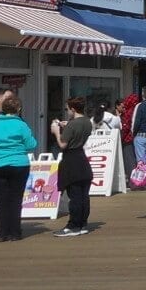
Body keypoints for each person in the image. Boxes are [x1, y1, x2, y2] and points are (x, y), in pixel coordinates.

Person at [0, 94, 37, 242]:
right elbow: (31, 145)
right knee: (15, 199)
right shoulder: (21, 125)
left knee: (2, 199)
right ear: (19, 109)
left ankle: (1, 233)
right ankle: (15, 232)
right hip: (18, 164)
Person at [49, 96, 94, 238]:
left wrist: (56, 131)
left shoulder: (72, 125)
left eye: (68, 109)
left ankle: (73, 225)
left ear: (73, 109)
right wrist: (66, 125)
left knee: (74, 196)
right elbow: (77, 128)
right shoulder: (87, 122)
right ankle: (82, 224)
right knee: (83, 195)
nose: (67, 111)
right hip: (82, 159)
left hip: (71, 160)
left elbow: (63, 144)